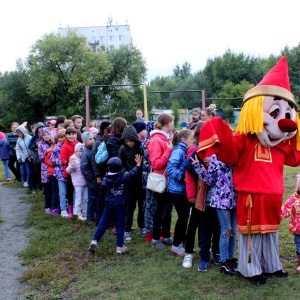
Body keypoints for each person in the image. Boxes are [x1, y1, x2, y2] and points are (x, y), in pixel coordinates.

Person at [191, 153, 238, 275]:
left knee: (233, 231)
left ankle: (230, 258)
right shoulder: (215, 158)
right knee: (226, 231)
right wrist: (198, 166)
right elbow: (210, 180)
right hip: (221, 200)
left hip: (235, 199)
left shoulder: (235, 156)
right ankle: (224, 262)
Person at [88, 155, 142, 254]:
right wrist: (138, 164)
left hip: (108, 206)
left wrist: (100, 206)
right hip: (121, 206)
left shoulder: (105, 180)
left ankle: (94, 240)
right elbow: (133, 173)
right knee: (120, 225)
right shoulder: (124, 177)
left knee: (103, 224)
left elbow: (101, 195)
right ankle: (119, 246)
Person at [147, 113, 174, 249]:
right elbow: (156, 163)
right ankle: (156, 238)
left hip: (168, 180)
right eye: (173, 122)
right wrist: (168, 151)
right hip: (161, 180)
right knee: (161, 210)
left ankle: (167, 236)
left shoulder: (165, 139)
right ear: (168, 123)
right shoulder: (156, 140)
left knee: (168, 210)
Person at [190, 153, 221, 272]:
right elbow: (189, 165)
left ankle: (216, 252)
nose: (208, 158)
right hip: (204, 204)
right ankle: (204, 257)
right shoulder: (200, 165)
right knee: (204, 231)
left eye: (211, 156)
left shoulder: (220, 165)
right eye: (206, 156)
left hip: (219, 205)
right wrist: (199, 162)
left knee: (218, 230)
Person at [166, 129, 194, 256]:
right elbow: (170, 168)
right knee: (183, 217)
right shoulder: (178, 151)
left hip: (182, 189)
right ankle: (176, 245)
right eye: (191, 137)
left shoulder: (185, 150)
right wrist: (183, 177)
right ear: (184, 139)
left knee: (184, 217)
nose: (193, 140)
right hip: (176, 190)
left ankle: (181, 242)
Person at [182, 121, 205, 268]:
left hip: (206, 193)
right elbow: (189, 174)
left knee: (205, 224)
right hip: (197, 194)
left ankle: (205, 250)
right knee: (194, 223)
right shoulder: (194, 149)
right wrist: (192, 194)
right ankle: (188, 253)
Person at [119, 125, 144, 241]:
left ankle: (142, 227)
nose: (129, 143)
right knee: (130, 206)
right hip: (129, 181)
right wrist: (125, 172)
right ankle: (127, 229)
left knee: (142, 206)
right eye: (126, 141)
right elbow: (120, 163)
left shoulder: (140, 148)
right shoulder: (123, 149)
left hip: (141, 181)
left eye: (131, 140)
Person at [281, 173, 300, 272]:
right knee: (299, 247)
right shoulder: (294, 199)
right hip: (298, 230)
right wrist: (276, 216)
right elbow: (286, 209)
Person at [38, 127, 59, 215]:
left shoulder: (53, 142)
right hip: (45, 169)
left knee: (53, 188)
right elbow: (40, 158)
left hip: (53, 169)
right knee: (47, 190)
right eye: (45, 135)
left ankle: (54, 206)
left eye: (48, 134)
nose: (47, 136)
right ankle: (47, 206)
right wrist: (47, 151)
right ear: (42, 136)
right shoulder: (40, 145)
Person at [80, 132, 100, 223]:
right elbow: (84, 169)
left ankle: (95, 215)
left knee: (96, 199)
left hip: (96, 180)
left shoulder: (93, 150)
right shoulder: (86, 153)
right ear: (85, 141)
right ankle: (90, 217)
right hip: (92, 181)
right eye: (90, 139)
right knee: (92, 200)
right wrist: (93, 178)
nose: (93, 140)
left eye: (93, 138)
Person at [60, 127, 79, 218]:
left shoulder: (78, 143)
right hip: (69, 172)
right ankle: (70, 210)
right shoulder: (64, 145)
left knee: (78, 191)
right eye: (69, 134)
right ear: (66, 135)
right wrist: (68, 163)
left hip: (78, 172)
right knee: (70, 191)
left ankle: (78, 209)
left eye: (73, 134)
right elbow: (62, 159)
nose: (71, 136)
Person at [66, 143, 88, 221]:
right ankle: (78, 213)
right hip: (78, 183)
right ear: (75, 152)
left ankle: (85, 213)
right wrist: (71, 166)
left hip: (85, 182)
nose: (79, 153)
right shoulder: (73, 159)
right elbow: (68, 171)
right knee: (78, 199)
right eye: (77, 151)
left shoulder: (84, 158)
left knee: (85, 199)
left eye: (80, 151)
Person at [50, 129, 68, 217]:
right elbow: (52, 160)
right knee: (62, 192)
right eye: (59, 137)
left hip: (69, 172)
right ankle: (63, 208)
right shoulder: (56, 148)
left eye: (63, 137)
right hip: (60, 173)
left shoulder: (70, 146)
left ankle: (71, 207)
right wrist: (61, 161)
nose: (61, 139)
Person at [16, 125, 34, 193]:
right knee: (29, 173)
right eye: (18, 133)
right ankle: (30, 187)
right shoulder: (18, 141)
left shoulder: (29, 138)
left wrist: (31, 156)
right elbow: (19, 150)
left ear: (23, 132)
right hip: (26, 159)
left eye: (20, 133)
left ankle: (35, 186)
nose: (19, 134)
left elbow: (32, 146)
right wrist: (20, 158)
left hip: (32, 157)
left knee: (33, 172)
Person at [28, 122, 45, 190]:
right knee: (37, 173)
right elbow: (30, 146)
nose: (41, 129)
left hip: (44, 158)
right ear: (37, 128)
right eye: (40, 127)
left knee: (43, 173)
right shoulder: (34, 137)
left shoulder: (46, 135)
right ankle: (38, 187)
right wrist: (36, 145)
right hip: (37, 158)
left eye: (42, 127)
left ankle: (43, 186)